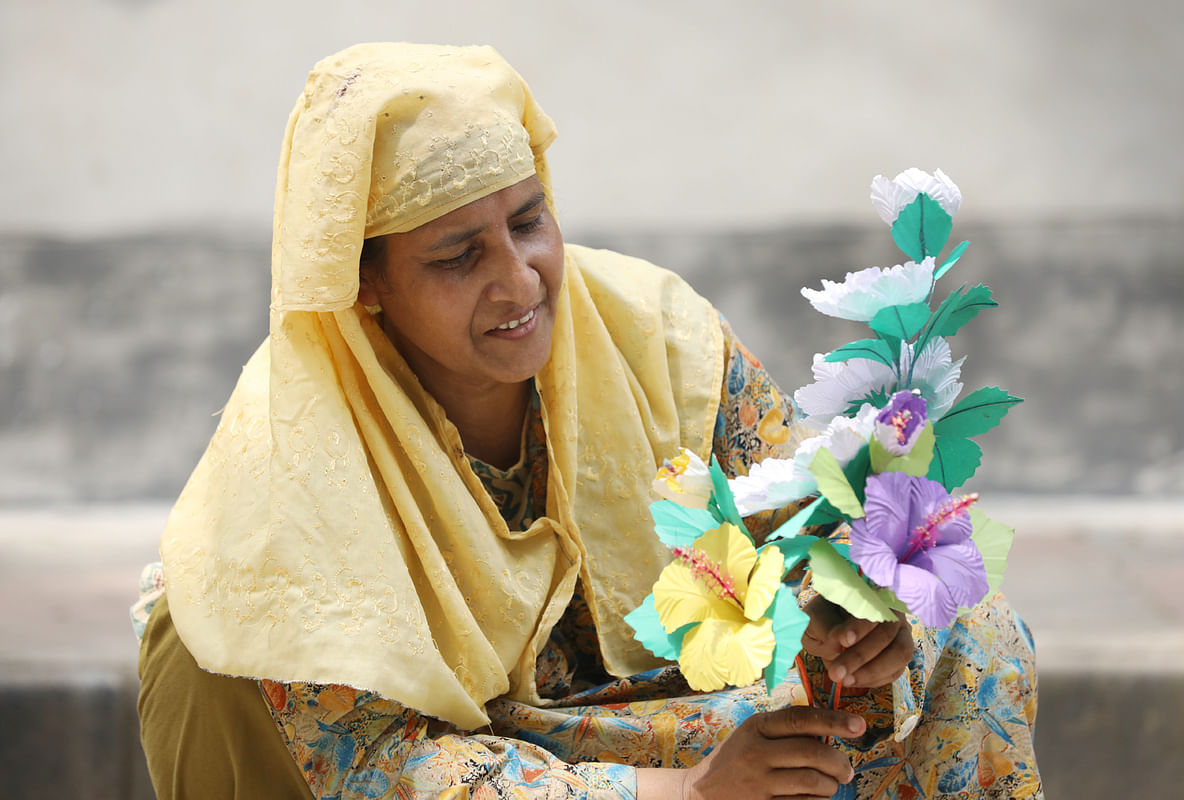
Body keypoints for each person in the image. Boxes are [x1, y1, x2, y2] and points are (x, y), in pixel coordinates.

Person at [133, 43, 1042, 799]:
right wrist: (678, 794)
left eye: (529, 223)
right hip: (490, 750)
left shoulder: (659, 337)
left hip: (665, 703)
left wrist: (854, 617)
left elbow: (796, 533)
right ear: (365, 284)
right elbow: (372, 759)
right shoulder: (297, 459)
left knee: (967, 626)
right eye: (458, 257)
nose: (520, 281)